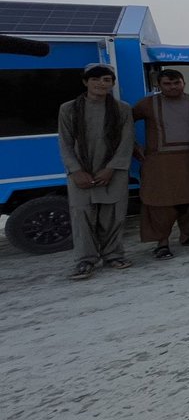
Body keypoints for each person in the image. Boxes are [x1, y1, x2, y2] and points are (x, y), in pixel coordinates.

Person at [58, 63, 135, 279]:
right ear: (85, 82)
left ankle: (113, 254)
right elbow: (64, 142)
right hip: (81, 171)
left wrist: (111, 168)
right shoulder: (69, 109)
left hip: (113, 170)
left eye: (106, 80)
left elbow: (127, 141)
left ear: (112, 84)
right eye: (96, 79)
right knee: (82, 215)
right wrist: (75, 170)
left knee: (113, 216)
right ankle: (85, 260)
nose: (101, 84)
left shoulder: (122, 109)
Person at [132, 68, 189, 259]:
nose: (173, 87)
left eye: (177, 83)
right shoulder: (148, 104)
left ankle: (188, 235)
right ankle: (162, 243)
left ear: (184, 83)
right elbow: (124, 121)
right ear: (159, 85)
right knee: (160, 203)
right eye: (168, 84)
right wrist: (133, 145)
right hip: (159, 164)